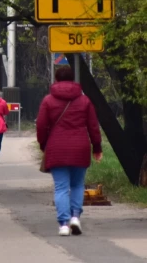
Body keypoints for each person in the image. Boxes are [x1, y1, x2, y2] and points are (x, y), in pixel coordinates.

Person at [36, 66, 102, 237]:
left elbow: (41, 125)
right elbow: (93, 126)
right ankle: (75, 216)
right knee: (78, 185)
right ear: (73, 80)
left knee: (61, 188)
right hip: (80, 147)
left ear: (56, 80)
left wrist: (44, 144)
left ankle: (64, 224)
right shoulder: (84, 101)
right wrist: (97, 147)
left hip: (56, 148)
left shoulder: (48, 100)